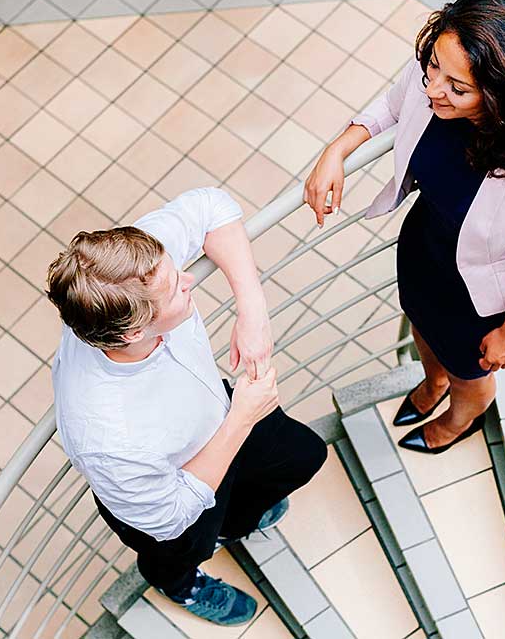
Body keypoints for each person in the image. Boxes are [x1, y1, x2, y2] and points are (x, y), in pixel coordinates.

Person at [303, 0, 505, 454]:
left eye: (457, 88)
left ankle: (460, 417)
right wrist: (337, 150)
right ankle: (432, 382)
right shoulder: (437, 73)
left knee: (469, 371)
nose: (433, 88)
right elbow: (392, 105)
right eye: (433, 67)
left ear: (504, 96)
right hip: (426, 249)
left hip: (485, 300)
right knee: (420, 323)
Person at [46, 187, 327, 625]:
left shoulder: (127, 273)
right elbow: (170, 517)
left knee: (304, 456)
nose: (190, 278)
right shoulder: (105, 435)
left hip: (219, 416)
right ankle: (180, 583)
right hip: (169, 484)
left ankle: (236, 520)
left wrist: (251, 310)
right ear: (130, 334)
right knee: (185, 547)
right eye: (176, 289)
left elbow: (212, 208)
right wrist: (243, 416)